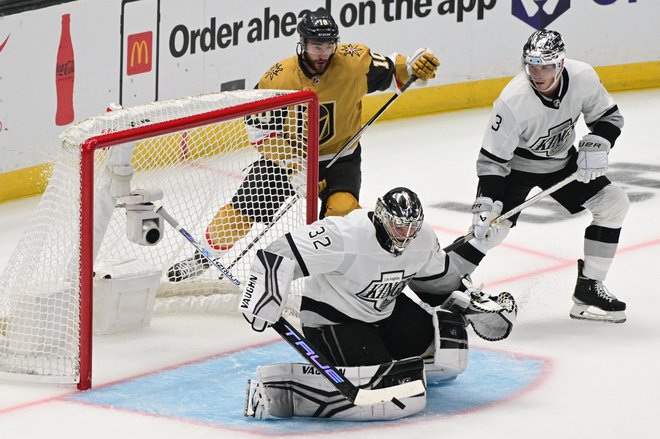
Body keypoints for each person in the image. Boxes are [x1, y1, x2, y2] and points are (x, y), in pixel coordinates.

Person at [167, 7, 440, 282]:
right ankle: (202, 258)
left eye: (329, 45)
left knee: (344, 215)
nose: (322, 53)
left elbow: (395, 70)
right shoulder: (279, 78)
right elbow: (258, 131)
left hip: (341, 156)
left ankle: (336, 280)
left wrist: (415, 66)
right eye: (315, 45)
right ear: (302, 43)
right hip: (288, 156)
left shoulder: (355, 63)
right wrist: (293, 165)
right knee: (239, 213)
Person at [239, 187, 517, 420]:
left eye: (412, 227)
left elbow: (437, 283)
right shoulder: (344, 235)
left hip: (385, 311)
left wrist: (468, 302)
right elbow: (276, 254)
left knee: (445, 344)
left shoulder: (422, 239)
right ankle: (282, 388)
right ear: (383, 218)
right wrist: (265, 296)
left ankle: (387, 363)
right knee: (378, 379)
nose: (405, 235)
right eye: (399, 226)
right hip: (333, 319)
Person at [454, 29, 629, 323]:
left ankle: (589, 287)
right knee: (490, 230)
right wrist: (487, 201)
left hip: (562, 162)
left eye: (545, 66)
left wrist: (600, 140)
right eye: (531, 65)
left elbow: (609, 118)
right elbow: (492, 161)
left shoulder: (583, 77)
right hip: (514, 169)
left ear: (560, 64)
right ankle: (444, 285)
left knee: (614, 203)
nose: (537, 73)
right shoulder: (513, 100)